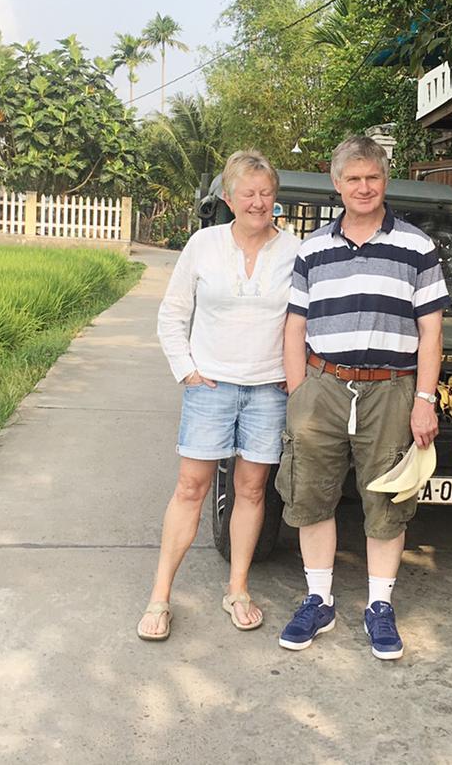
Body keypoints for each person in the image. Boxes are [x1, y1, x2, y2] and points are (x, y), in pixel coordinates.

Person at [277, 135, 450, 660]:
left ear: (385, 180)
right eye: (352, 179)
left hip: (391, 390)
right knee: (311, 495)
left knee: (387, 499)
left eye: (372, 177)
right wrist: (298, 393)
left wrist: (425, 398)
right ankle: (318, 599)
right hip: (321, 387)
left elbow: (432, 333)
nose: (363, 187)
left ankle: (379, 605)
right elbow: (294, 327)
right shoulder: (312, 250)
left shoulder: (417, 247)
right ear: (337, 185)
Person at [139, 150, 300, 641]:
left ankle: (237, 590)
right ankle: (159, 598)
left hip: (267, 391)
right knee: (191, 488)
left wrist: (290, 377)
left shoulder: (294, 251)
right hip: (210, 387)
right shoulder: (203, 245)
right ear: (228, 198)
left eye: (266, 193)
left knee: (252, 491)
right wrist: (186, 371)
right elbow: (173, 314)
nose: (257, 202)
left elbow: (305, 321)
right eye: (247, 193)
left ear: (276, 198)